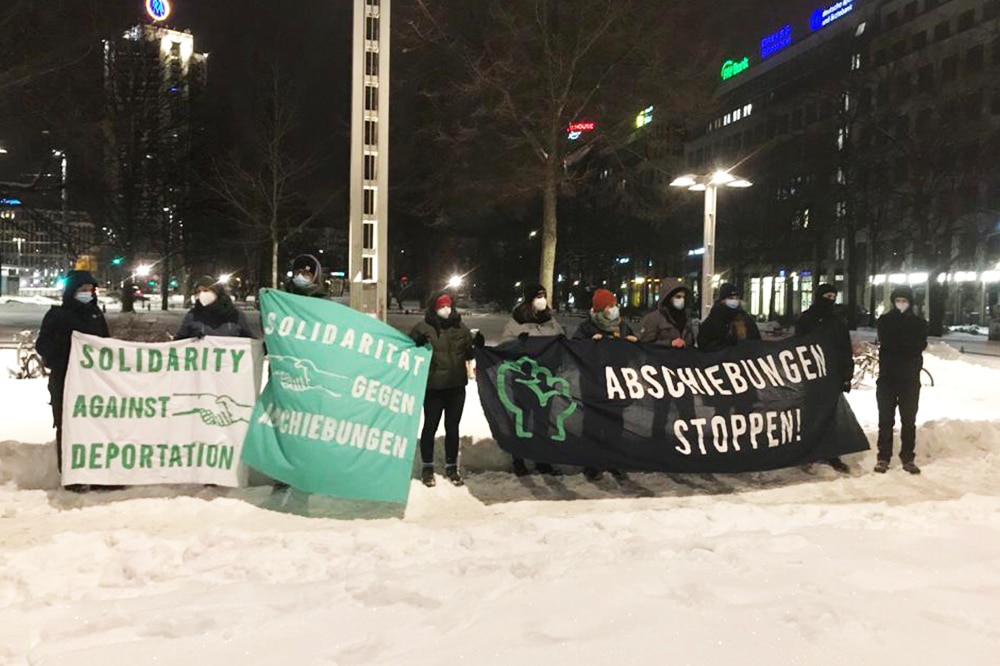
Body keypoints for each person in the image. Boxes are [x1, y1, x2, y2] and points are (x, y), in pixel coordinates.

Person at [35, 270, 110, 480]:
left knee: (93, 425)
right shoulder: (57, 315)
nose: (87, 293)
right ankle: (71, 474)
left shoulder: (96, 314)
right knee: (67, 426)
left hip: (92, 381)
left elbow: (106, 343)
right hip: (64, 378)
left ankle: (95, 472)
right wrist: (65, 347)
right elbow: (42, 345)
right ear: (72, 291)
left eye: (90, 290)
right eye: (82, 290)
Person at [409, 293, 484, 487]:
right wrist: (415, 344)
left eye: (448, 305)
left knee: (453, 428)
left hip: (456, 387)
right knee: (430, 427)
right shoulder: (423, 328)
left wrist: (478, 344)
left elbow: (469, 352)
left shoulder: (460, 327)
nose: (446, 309)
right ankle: (427, 467)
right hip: (433, 388)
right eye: (442, 305)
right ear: (434, 307)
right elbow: (408, 348)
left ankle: (452, 467)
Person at [501, 282, 565, 476]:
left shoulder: (551, 321)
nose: (542, 300)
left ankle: (542, 459)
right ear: (529, 300)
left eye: (543, 296)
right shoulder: (517, 321)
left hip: (545, 378)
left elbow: (562, 340)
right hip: (524, 378)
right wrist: (518, 343)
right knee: (521, 418)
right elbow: (506, 346)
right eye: (538, 296)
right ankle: (518, 459)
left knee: (542, 420)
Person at [572, 288, 635, 481]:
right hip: (594, 382)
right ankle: (591, 464)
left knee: (615, 423)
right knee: (592, 423)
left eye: (614, 305)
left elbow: (634, 350)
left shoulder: (622, 326)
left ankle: (614, 461)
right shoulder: (587, 327)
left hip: (616, 381)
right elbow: (575, 348)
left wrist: (634, 343)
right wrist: (590, 344)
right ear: (600, 309)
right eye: (609, 306)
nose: (614, 309)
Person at [795, 283, 854, 473]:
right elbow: (798, 346)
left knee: (830, 415)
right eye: (826, 296)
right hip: (812, 373)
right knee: (811, 413)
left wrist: (846, 375)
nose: (829, 300)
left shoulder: (837, 321)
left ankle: (830, 452)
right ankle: (808, 451)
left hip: (832, 374)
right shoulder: (807, 319)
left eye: (832, 297)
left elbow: (845, 348)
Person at [874, 286, 928, 474]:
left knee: (908, 420)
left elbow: (919, 345)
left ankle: (907, 457)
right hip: (887, 379)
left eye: (905, 300)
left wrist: (902, 346)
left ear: (910, 302)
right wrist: (906, 345)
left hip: (910, 380)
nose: (901, 304)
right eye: (898, 300)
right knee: (885, 420)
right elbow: (888, 342)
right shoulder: (885, 321)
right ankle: (883, 457)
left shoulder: (919, 323)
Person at [175, 276, 255, 340]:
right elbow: (179, 341)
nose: (202, 294)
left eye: (206, 290)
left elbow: (249, 340)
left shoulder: (235, 314)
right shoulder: (192, 315)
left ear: (216, 292)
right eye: (198, 292)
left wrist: (260, 347)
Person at [697, 282, 761, 352]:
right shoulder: (714, 319)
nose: (734, 301)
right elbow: (704, 343)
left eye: (736, 298)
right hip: (720, 358)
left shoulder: (744, 318)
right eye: (730, 298)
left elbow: (756, 341)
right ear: (722, 300)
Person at [638, 279, 698, 349]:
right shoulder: (653, 318)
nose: (682, 300)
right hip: (661, 358)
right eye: (678, 297)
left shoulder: (686, 318)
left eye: (684, 297)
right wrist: (670, 343)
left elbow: (690, 342)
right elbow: (645, 344)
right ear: (668, 298)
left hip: (683, 358)